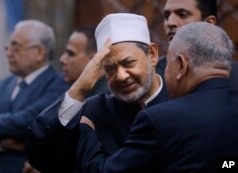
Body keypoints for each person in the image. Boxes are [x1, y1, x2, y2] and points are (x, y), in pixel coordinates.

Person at [78, 22, 238, 173]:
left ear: (181, 65)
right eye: (111, 68)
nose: (121, 76)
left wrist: (86, 132)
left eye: (167, 63)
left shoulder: (161, 119)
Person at [27, 13, 169, 173]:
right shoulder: (95, 112)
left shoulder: (181, 101)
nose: (121, 76)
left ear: (152, 54)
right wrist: (78, 89)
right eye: (110, 69)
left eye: (128, 63)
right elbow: (40, 156)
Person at [0, 20, 69, 173]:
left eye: (16, 47)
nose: (8, 53)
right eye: (8, 47)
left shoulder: (59, 85)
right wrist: (1, 144)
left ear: (39, 52)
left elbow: (32, 120)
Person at [156, 0, 238, 89]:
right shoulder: (153, 76)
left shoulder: (234, 76)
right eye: (166, 16)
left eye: (182, 14)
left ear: (208, 23)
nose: (170, 23)